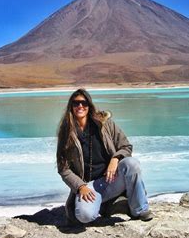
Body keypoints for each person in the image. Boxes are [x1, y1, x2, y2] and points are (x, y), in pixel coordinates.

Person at [56, 88, 153, 224]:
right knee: (84, 216)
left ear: (90, 106)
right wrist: (80, 187)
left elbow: (126, 146)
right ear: (70, 107)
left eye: (84, 103)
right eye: (76, 103)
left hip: (112, 180)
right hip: (89, 187)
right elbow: (63, 168)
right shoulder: (66, 133)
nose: (80, 106)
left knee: (132, 164)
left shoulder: (105, 124)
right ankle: (107, 205)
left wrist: (115, 159)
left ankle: (139, 210)